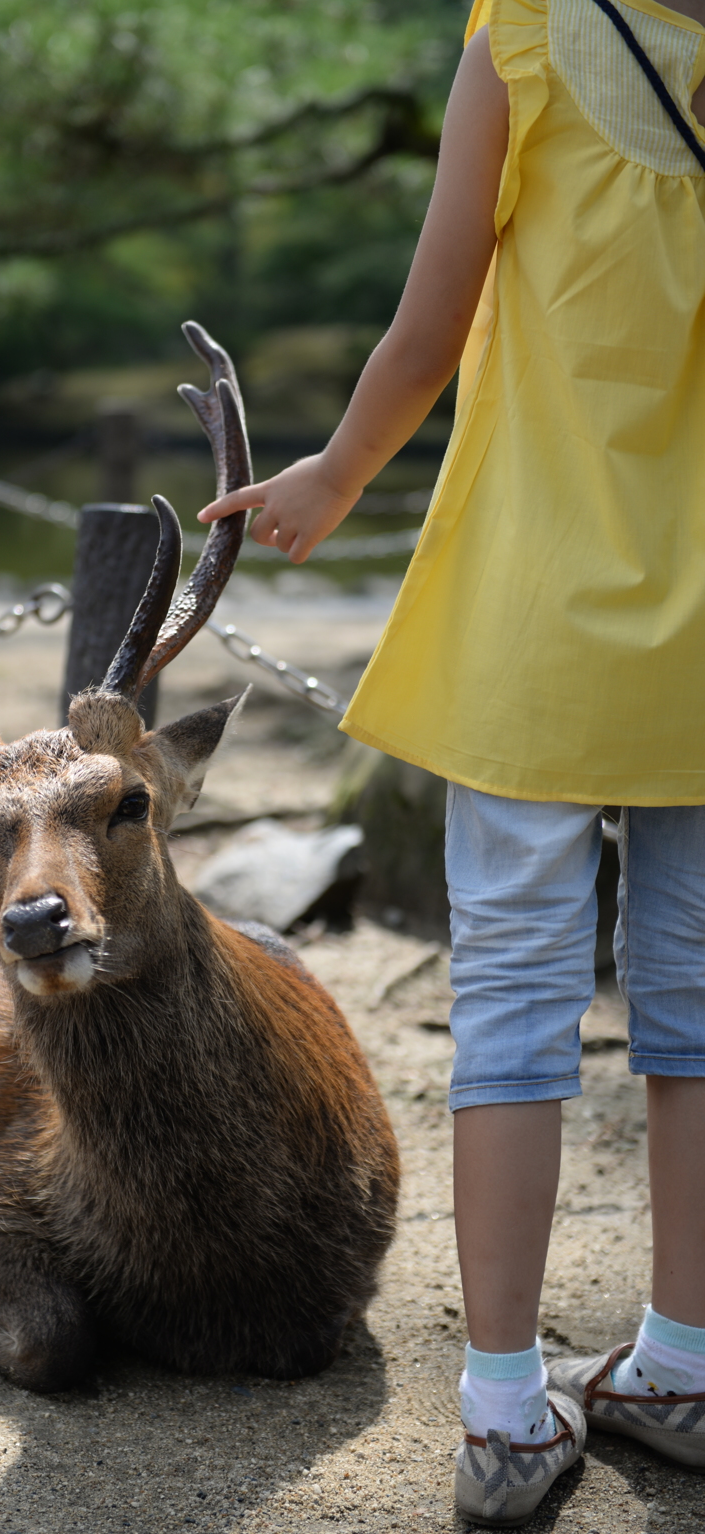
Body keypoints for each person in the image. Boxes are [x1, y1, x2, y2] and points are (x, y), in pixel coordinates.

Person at [198, 0, 705, 1523]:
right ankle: (681, 1359)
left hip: (536, 617)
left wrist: (334, 472)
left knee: (513, 994)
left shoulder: (531, 37)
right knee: (693, 998)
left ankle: (501, 1404)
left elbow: (431, 324)